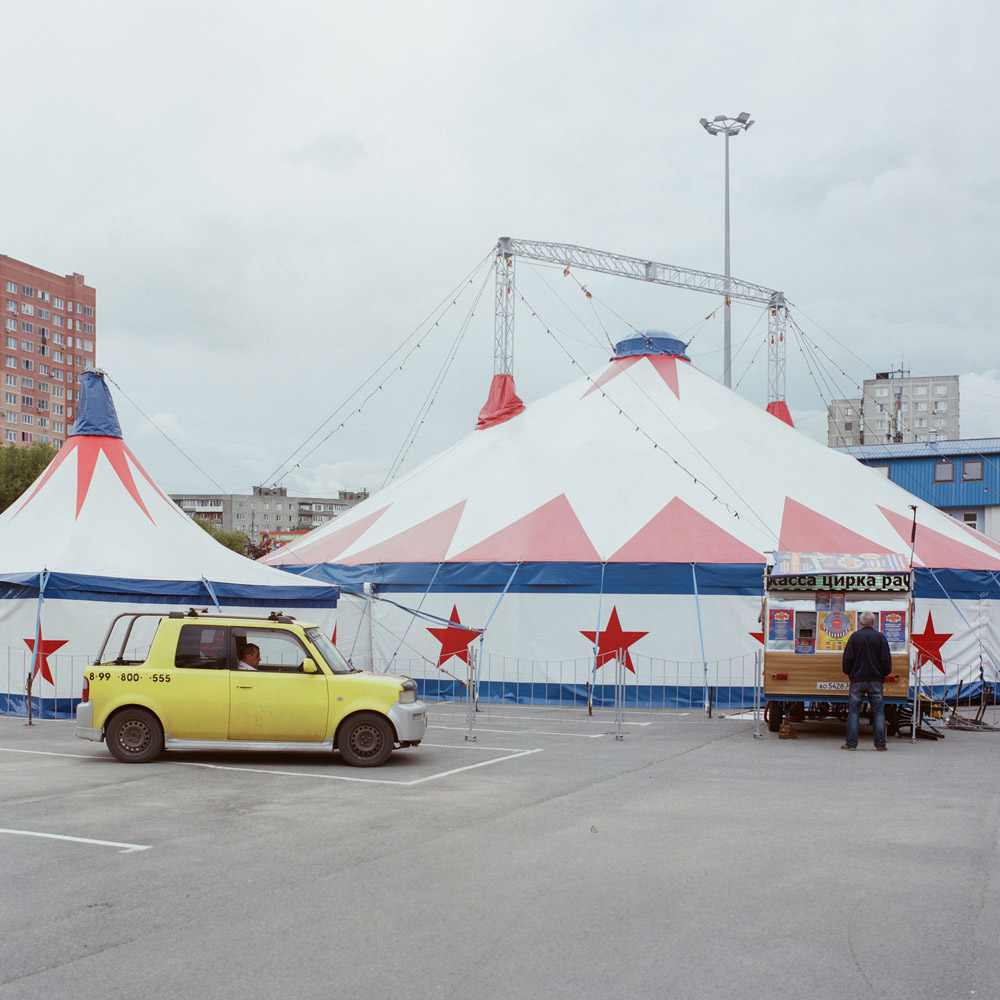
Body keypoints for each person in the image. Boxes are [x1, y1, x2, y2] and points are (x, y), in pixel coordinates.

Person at [841, 611, 892, 751]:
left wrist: (850, 674)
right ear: (873, 623)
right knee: (878, 712)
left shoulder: (854, 637)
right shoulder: (880, 638)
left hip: (857, 680)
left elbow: (847, 660)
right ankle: (880, 744)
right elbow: (886, 661)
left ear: (861, 623)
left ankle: (851, 744)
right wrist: (883, 674)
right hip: (875, 680)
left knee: (854, 712)